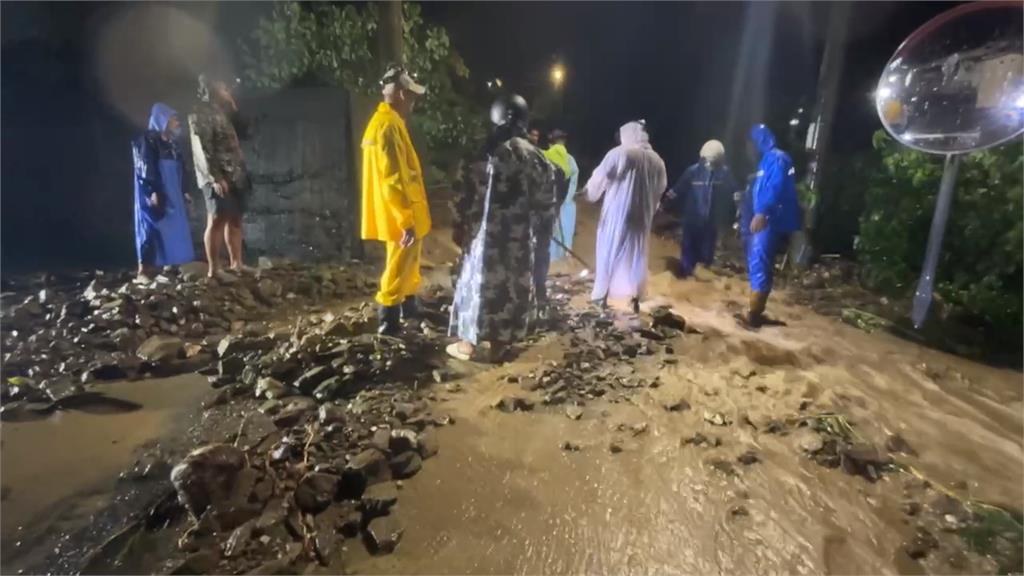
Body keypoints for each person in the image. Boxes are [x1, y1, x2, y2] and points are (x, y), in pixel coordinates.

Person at [447, 94, 557, 361]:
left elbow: (461, 195)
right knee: (510, 289)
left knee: (476, 286)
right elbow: (546, 204)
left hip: (481, 241)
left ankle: (468, 345)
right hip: (518, 242)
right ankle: (500, 345)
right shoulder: (536, 158)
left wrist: (460, 226)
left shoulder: (482, 151)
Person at [360, 66, 431, 335]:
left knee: (408, 262)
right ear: (400, 94)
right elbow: (393, 178)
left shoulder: (388, 122)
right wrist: (405, 219)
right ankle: (388, 320)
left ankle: (408, 306)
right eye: (411, 95)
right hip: (403, 210)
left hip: (404, 208)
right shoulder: (388, 127)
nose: (413, 101)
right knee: (399, 263)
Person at [584, 121, 667, 313]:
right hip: (642, 217)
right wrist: (650, 208)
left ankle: (600, 296)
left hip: (617, 215)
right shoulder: (657, 161)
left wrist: (588, 193)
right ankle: (635, 297)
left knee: (609, 252)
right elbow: (660, 189)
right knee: (637, 255)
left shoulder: (620, 154)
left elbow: (600, 178)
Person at [740, 124, 803, 328]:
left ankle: (754, 314)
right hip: (766, 217)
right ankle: (755, 309)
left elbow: (774, 187)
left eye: (749, 144)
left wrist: (762, 212)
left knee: (760, 261)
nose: (747, 149)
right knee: (757, 260)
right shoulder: (766, 161)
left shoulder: (777, 158)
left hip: (770, 219)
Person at [189, 75, 252, 278]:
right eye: (222, 84)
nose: (226, 88)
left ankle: (237, 264)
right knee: (217, 220)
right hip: (218, 176)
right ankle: (214, 269)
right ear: (211, 88)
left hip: (235, 173)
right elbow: (203, 148)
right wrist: (215, 177)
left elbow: (247, 132)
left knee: (235, 219)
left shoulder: (224, 113)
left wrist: (233, 106)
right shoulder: (200, 113)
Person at [133, 103, 195, 280]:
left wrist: (185, 191)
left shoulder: (173, 145)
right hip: (158, 189)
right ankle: (143, 270)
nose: (177, 122)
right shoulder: (148, 140)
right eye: (173, 118)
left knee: (175, 226)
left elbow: (182, 168)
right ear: (163, 120)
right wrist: (152, 190)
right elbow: (146, 166)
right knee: (153, 224)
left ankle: (172, 265)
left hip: (173, 190)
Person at [664, 139, 736, 277]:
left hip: (710, 221)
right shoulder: (692, 172)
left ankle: (700, 278)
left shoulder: (724, 174)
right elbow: (677, 190)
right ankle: (687, 275)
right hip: (693, 219)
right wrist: (665, 202)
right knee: (689, 250)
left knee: (706, 253)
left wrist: (739, 208)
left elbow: (734, 192)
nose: (709, 166)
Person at [544, 129, 580, 262]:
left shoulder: (545, 157)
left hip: (558, 204)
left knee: (559, 234)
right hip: (560, 204)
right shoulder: (567, 159)